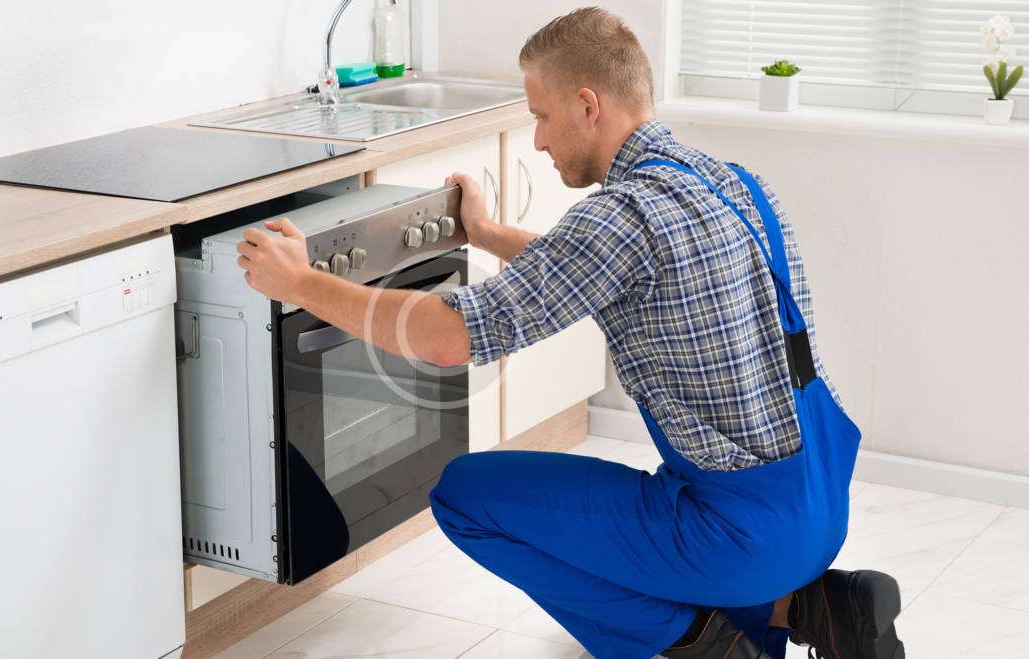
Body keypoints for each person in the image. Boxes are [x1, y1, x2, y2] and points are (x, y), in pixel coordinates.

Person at [234, 7, 904, 659]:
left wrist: (300, 283)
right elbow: (591, 270)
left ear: (588, 105)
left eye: (542, 117)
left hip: (742, 534)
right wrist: (487, 233)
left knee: (466, 497)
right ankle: (810, 606)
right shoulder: (728, 183)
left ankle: (713, 644)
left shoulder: (624, 214)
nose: (538, 141)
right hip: (819, 500)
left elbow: (448, 336)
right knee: (641, 518)